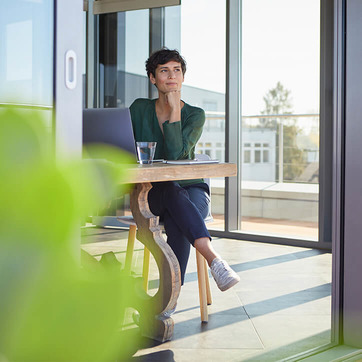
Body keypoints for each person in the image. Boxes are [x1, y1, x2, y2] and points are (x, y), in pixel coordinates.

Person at [130, 48, 239, 294]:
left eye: (177, 71)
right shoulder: (138, 109)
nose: (171, 76)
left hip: (193, 190)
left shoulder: (195, 115)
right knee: (171, 192)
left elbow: (176, 155)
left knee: (178, 218)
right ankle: (215, 261)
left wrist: (175, 111)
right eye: (164, 71)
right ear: (152, 78)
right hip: (152, 192)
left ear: (183, 77)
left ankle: (167, 301)